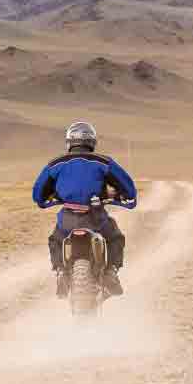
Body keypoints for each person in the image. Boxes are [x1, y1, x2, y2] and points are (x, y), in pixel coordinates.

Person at [32, 121, 138, 297]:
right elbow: (129, 189)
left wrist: (53, 197)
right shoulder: (104, 162)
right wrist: (120, 196)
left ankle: (60, 271)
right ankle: (111, 271)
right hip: (96, 217)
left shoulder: (55, 164)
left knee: (56, 239)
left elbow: (38, 195)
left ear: (69, 142)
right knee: (115, 237)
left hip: (67, 218)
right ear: (92, 142)